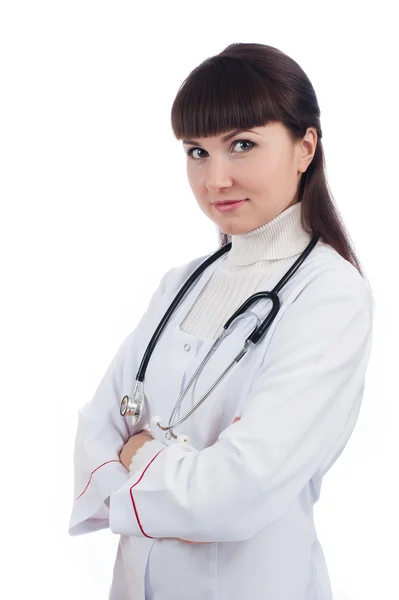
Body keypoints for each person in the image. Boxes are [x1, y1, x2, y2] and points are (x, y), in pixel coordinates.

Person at [68, 43, 374, 600]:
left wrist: (141, 455)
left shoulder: (330, 295)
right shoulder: (181, 284)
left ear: (305, 147)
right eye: (197, 152)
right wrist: (184, 470)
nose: (216, 180)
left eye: (242, 145)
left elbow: (238, 490)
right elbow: (95, 432)